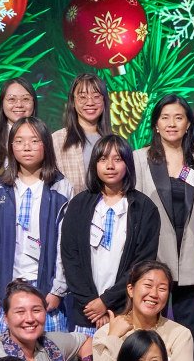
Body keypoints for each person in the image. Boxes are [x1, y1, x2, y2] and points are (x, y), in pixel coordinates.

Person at [0, 115, 67, 348]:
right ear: (11, 146)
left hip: (44, 293)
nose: (26, 147)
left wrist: (57, 290)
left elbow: (65, 246)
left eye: (34, 141)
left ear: (46, 144)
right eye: (19, 141)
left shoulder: (61, 188)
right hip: (3, 291)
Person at [59, 135, 161, 333]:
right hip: (87, 311)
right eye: (103, 159)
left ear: (128, 164)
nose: (110, 165)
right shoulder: (78, 205)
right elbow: (70, 258)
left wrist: (106, 302)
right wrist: (93, 304)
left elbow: (141, 264)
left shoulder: (144, 208)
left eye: (118, 159)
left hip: (126, 311)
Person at [128, 96, 194, 328]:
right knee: (148, 326)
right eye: (165, 118)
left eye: (178, 118)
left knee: (187, 328)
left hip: (191, 254)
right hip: (154, 256)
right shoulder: (139, 159)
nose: (172, 124)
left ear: (188, 124)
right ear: (156, 124)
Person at [80, 261, 194, 361]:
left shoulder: (180, 334)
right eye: (148, 285)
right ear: (130, 289)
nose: (154, 294)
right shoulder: (105, 333)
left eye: (162, 288)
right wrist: (113, 338)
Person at [50, 71, 114, 187]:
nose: (90, 102)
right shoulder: (57, 140)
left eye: (96, 96)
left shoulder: (114, 142)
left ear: (104, 101)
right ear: (73, 102)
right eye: (82, 97)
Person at [0, 76, 39, 176]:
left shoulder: (47, 140)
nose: (19, 105)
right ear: (1, 104)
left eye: (25, 99)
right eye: (12, 99)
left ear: (34, 103)